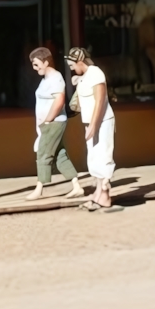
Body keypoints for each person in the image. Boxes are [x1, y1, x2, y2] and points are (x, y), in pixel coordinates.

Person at [25, 47, 84, 201]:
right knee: (60, 155)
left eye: (37, 64)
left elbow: (59, 100)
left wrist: (48, 120)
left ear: (46, 62)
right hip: (48, 124)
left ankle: (39, 188)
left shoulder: (56, 78)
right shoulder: (46, 79)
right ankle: (77, 186)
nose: (34, 67)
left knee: (43, 154)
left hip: (54, 122)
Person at [66, 46, 119, 211]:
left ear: (80, 61)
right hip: (91, 122)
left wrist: (94, 125)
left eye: (72, 65)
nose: (72, 69)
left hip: (102, 121)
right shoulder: (85, 76)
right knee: (94, 157)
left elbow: (100, 101)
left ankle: (104, 193)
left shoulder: (96, 73)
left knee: (103, 155)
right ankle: (98, 193)